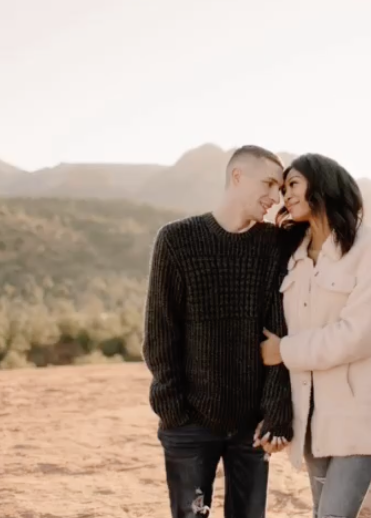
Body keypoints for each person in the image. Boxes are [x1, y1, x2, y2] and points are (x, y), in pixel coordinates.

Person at [142, 145, 294, 518]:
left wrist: (274, 413)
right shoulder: (176, 240)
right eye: (269, 184)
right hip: (189, 425)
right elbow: (160, 333)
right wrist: (174, 412)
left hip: (252, 429)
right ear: (237, 177)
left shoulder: (273, 246)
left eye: (281, 188)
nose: (276, 197)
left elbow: (280, 331)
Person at [259, 153, 371, 518]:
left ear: (321, 185)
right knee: (322, 512)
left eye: (293, 184)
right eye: (282, 189)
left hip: (360, 417)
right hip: (310, 418)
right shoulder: (291, 254)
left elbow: (362, 334)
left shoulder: (370, 245)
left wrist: (285, 351)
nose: (285, 196)